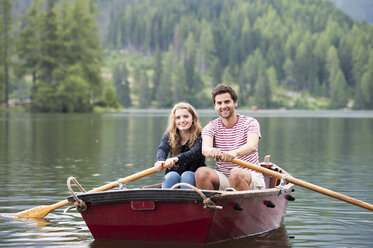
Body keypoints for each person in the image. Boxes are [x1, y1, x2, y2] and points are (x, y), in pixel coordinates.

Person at [195, 84, 265, 191]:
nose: (223, 106)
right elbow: (205, 149)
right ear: (215, 106)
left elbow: (252, 146)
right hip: (225, 179)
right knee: (201, 173)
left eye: (227, 102)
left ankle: (244, 206)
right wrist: (212, 151)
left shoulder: (250, 122)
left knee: (236, 173)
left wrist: (234, 153)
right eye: (219, 103)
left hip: (251, 177)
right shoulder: (210, 127)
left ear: (235, 102)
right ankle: (211, 207)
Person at [154, 102, 205, 189]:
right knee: (171, 176)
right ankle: (167, 201)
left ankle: (187, 202)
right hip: (174, 173)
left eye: (186, 116)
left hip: (194, 175)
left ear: (193, 118)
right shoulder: (169, 135)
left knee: (187, 176)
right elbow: (162, 148)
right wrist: (160, 160)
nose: (182, 120)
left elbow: (195, 152)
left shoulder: (201, 135)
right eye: (178, 118)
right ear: (174, 121)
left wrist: (177, 158)